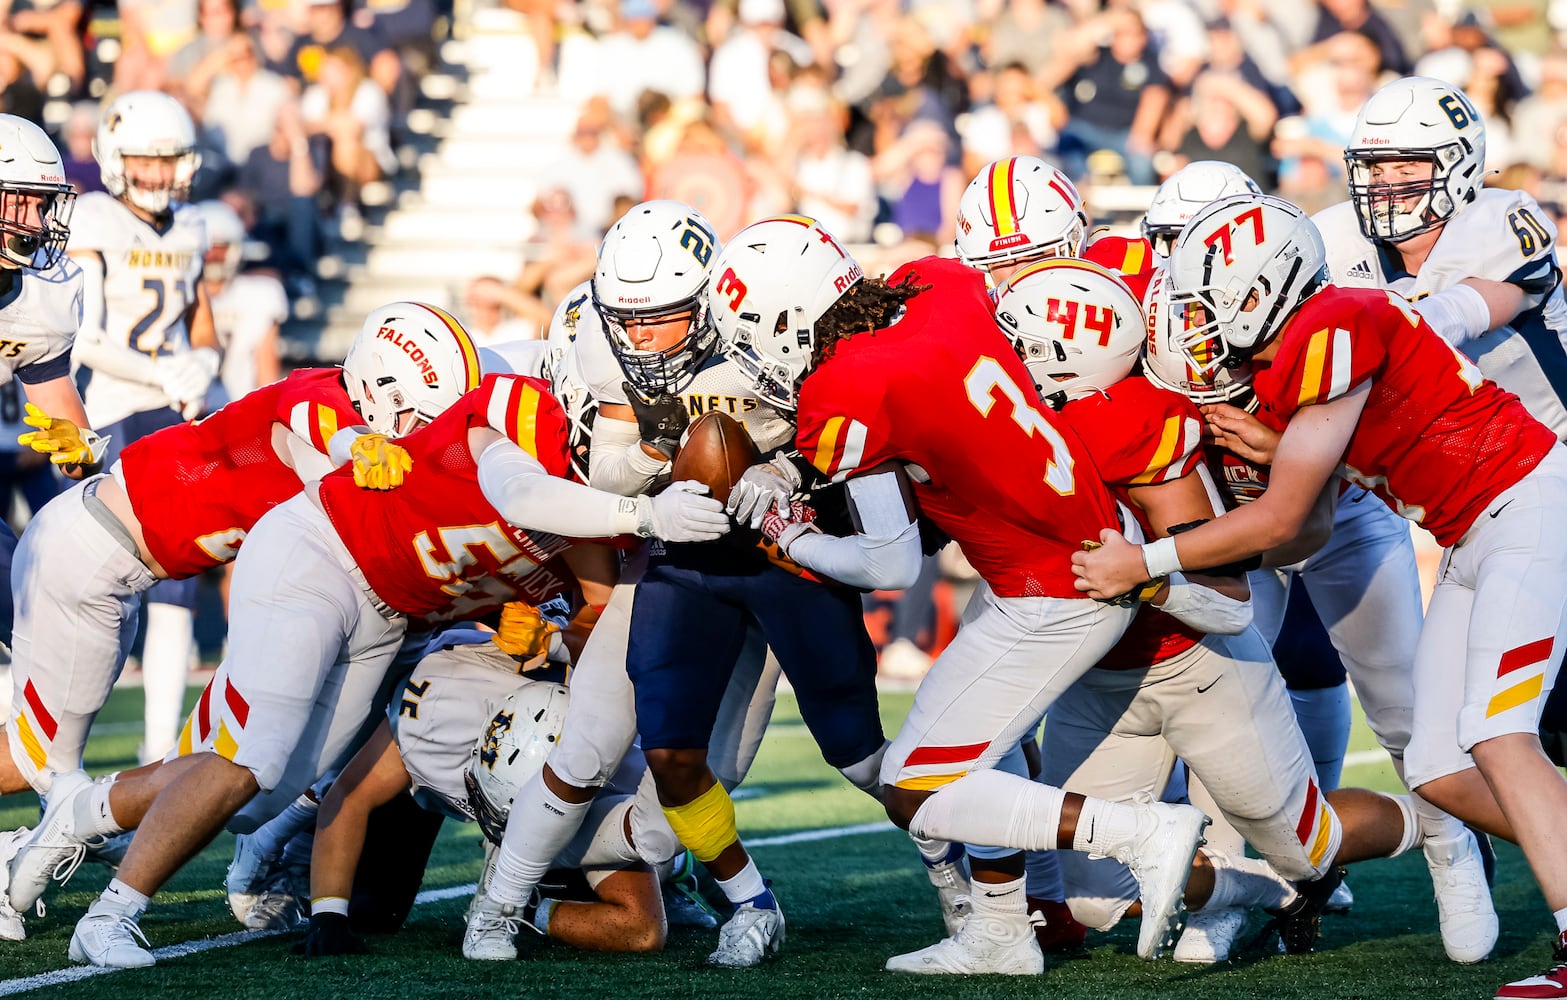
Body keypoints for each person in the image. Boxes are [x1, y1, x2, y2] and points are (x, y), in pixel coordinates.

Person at [48, 312, 730, 969]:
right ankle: (110, 915)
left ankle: (79, 813)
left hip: (392, 609)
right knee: (254, 759)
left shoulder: (592, 503)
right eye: (625, 421)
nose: (636, 442)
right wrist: (641, 512)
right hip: (322, 552)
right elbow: (519, 494)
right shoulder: (508, 409)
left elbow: (595, 616)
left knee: (266, 793)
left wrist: (554, 627)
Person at [1072, 193, 1567, 1000]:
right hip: (1474, 532)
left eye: (1207, 299)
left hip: (1525, 507)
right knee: (1439, 767)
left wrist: (1148, 559)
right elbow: (1314, 515)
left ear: (1261, 287)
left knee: (1496, 732)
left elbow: (1282, 513)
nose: (1196, 320)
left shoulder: (1332, 325)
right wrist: (1270, 478)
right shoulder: (1307, 344)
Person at [708, 215, 1209, 974]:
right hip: (1071, 543)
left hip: (1054, 589)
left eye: (751, 335)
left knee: (918, 790)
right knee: (980, 749)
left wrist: (788, 536)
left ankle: (1136, 833)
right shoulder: (935, 283)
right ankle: (1001, 935)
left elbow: (889, 563)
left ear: (786, 321)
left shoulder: (844, 389)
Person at [1009, 257, 1491, 965]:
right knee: (1194, 751)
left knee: (1398, 707)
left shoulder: (1300, 354)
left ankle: (1447, 841)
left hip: (1322, 520)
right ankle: (1254, 886)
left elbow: (1296, 531)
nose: (1209, 385)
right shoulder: (1145, 369)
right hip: (1201, 565)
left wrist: (1158, 564)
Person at [476, 202, 888, 969]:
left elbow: (850, 431)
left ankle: (981, 875)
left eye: (660, 318)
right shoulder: (595, 347)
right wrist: (656, 474)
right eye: (623, 320)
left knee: (828, 758)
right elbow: (600, 473)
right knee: (597, 747)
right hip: (673, 555)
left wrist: (784, 472)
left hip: (785, 557)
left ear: (712, 300)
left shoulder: (763, 314)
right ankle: (499, 904)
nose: (638, 339)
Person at [0, 303, 445, 935]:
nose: (414, 430)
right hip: (90, 557)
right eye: (411, 413)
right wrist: (362, 446)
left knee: (98, 777)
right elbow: (323, 430)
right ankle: (15, 865)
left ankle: (48, 848)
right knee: (39, 762)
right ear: (376, 383)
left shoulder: (333, 404)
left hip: (117, 565)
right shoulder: (319, 402)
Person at [69, 90, 223, 766]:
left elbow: (202, 322)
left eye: (167, 161)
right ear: (114, 158)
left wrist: (203, 364)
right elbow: (87, 337)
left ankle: (160, 747)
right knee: (105, 582)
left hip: (173, 413)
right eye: (145, 160)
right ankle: (54, 738)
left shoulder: (193, 227)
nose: (159, 174)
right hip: (113, 411)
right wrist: (165, 374)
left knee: (179, 579)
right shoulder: (95, 218)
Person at [1316, 76, 1567, 441]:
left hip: (1549, 449)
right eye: (1375, 169)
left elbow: (1458, 313)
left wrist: (1373, 329)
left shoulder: (1495, 221)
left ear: (1458, 168)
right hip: (1437, 464)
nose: (1385, 186)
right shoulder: (1337, 237)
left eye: (1405, 170)